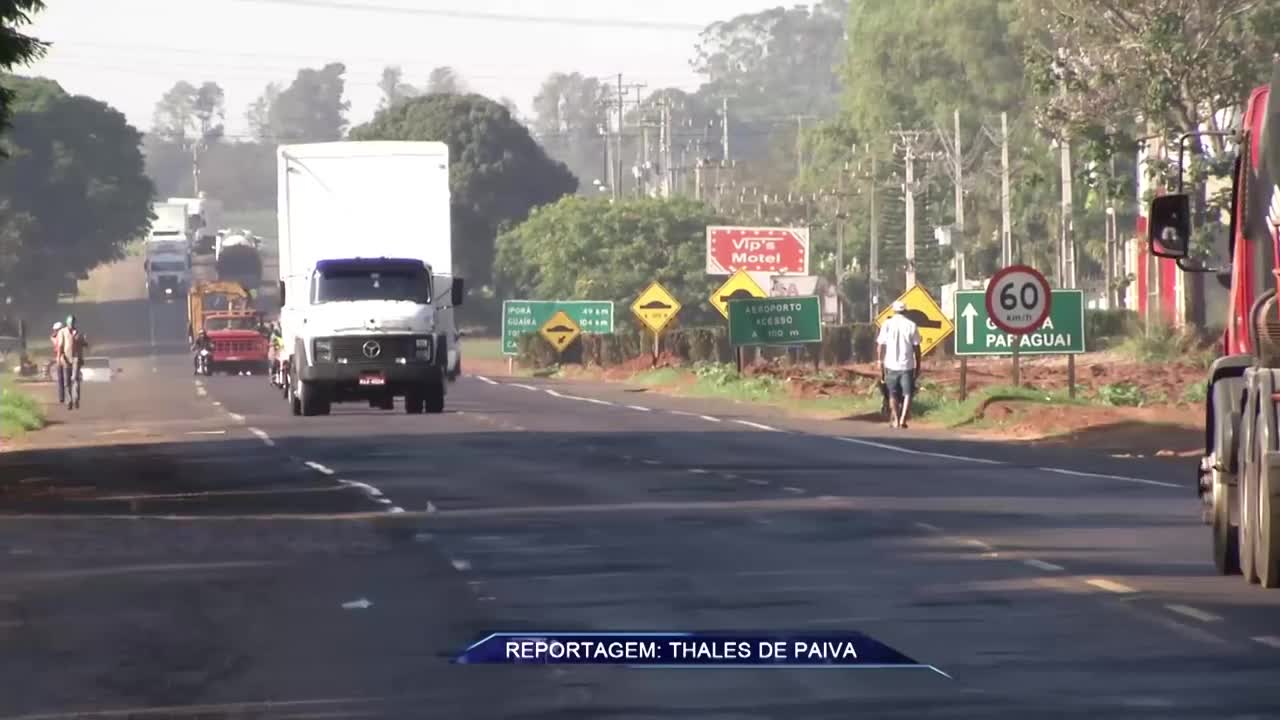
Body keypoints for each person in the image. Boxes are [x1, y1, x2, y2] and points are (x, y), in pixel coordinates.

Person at [876, 300, 922, 429]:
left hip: (890, 365)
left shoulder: (887, 324)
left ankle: (895, 419)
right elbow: (917, 347)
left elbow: (880, 346)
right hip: (907, 365)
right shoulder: (911, 325)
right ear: (905, 311)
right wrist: (918, 365)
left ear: (894, 310)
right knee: (908, 394)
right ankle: (903, 419)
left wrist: (879, 361)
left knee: (892, 394)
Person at [53, 315, 88, 410]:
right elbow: (60, 346)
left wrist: (84, 340)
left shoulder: (78, 333)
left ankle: (76, 398)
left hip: (76, 359)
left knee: (75, 379)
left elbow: (84, 344)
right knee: (67, 382)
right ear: (67, 323)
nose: (72, 324)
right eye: (70, 322)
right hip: (65, 359)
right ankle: (69, 401)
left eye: (73, 322)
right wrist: (59, 357)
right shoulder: (62, 332)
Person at [49, 321, 64, 403]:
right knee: (61, 379)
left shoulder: (58, 337)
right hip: (61, 359)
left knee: (64, 379)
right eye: (55, 330)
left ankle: (64, 396)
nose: (55, 331)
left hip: (64, 359)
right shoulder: (56, 337)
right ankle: (62, 397)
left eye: (56, 330)